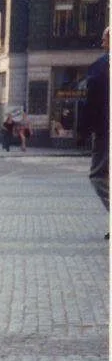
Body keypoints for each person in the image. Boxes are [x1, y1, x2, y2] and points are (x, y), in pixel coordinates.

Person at [80, 27, 109, 220]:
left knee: (98, 176)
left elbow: (91, 103)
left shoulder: (101, 67)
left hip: (106, 132)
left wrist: (83, 132)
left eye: (105, 39)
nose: (102, 43)